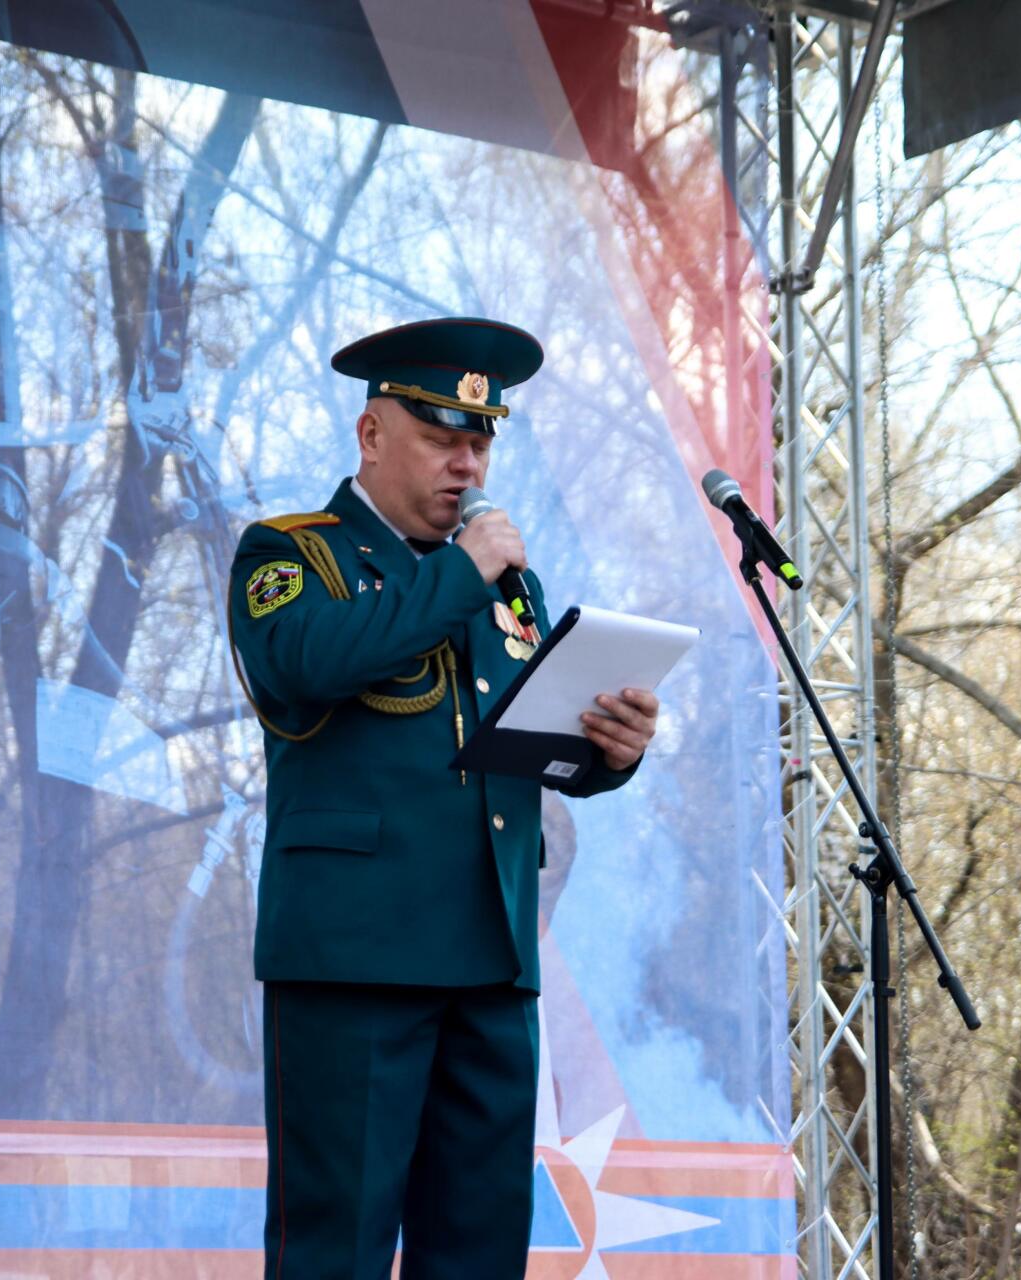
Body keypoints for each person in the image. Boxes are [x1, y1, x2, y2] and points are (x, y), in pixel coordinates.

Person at [228, 316, 660, 1277]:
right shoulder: (292, 556)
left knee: (478, 1254)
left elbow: (524, 746)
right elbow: (302, 667)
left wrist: (609, 752)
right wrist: (461, 575)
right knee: (333, 1251)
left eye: (481, 444)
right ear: (371, 434)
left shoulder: (503, 587)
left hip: (492, 965)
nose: (467, 466)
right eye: (439, 439)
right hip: (355, 963)